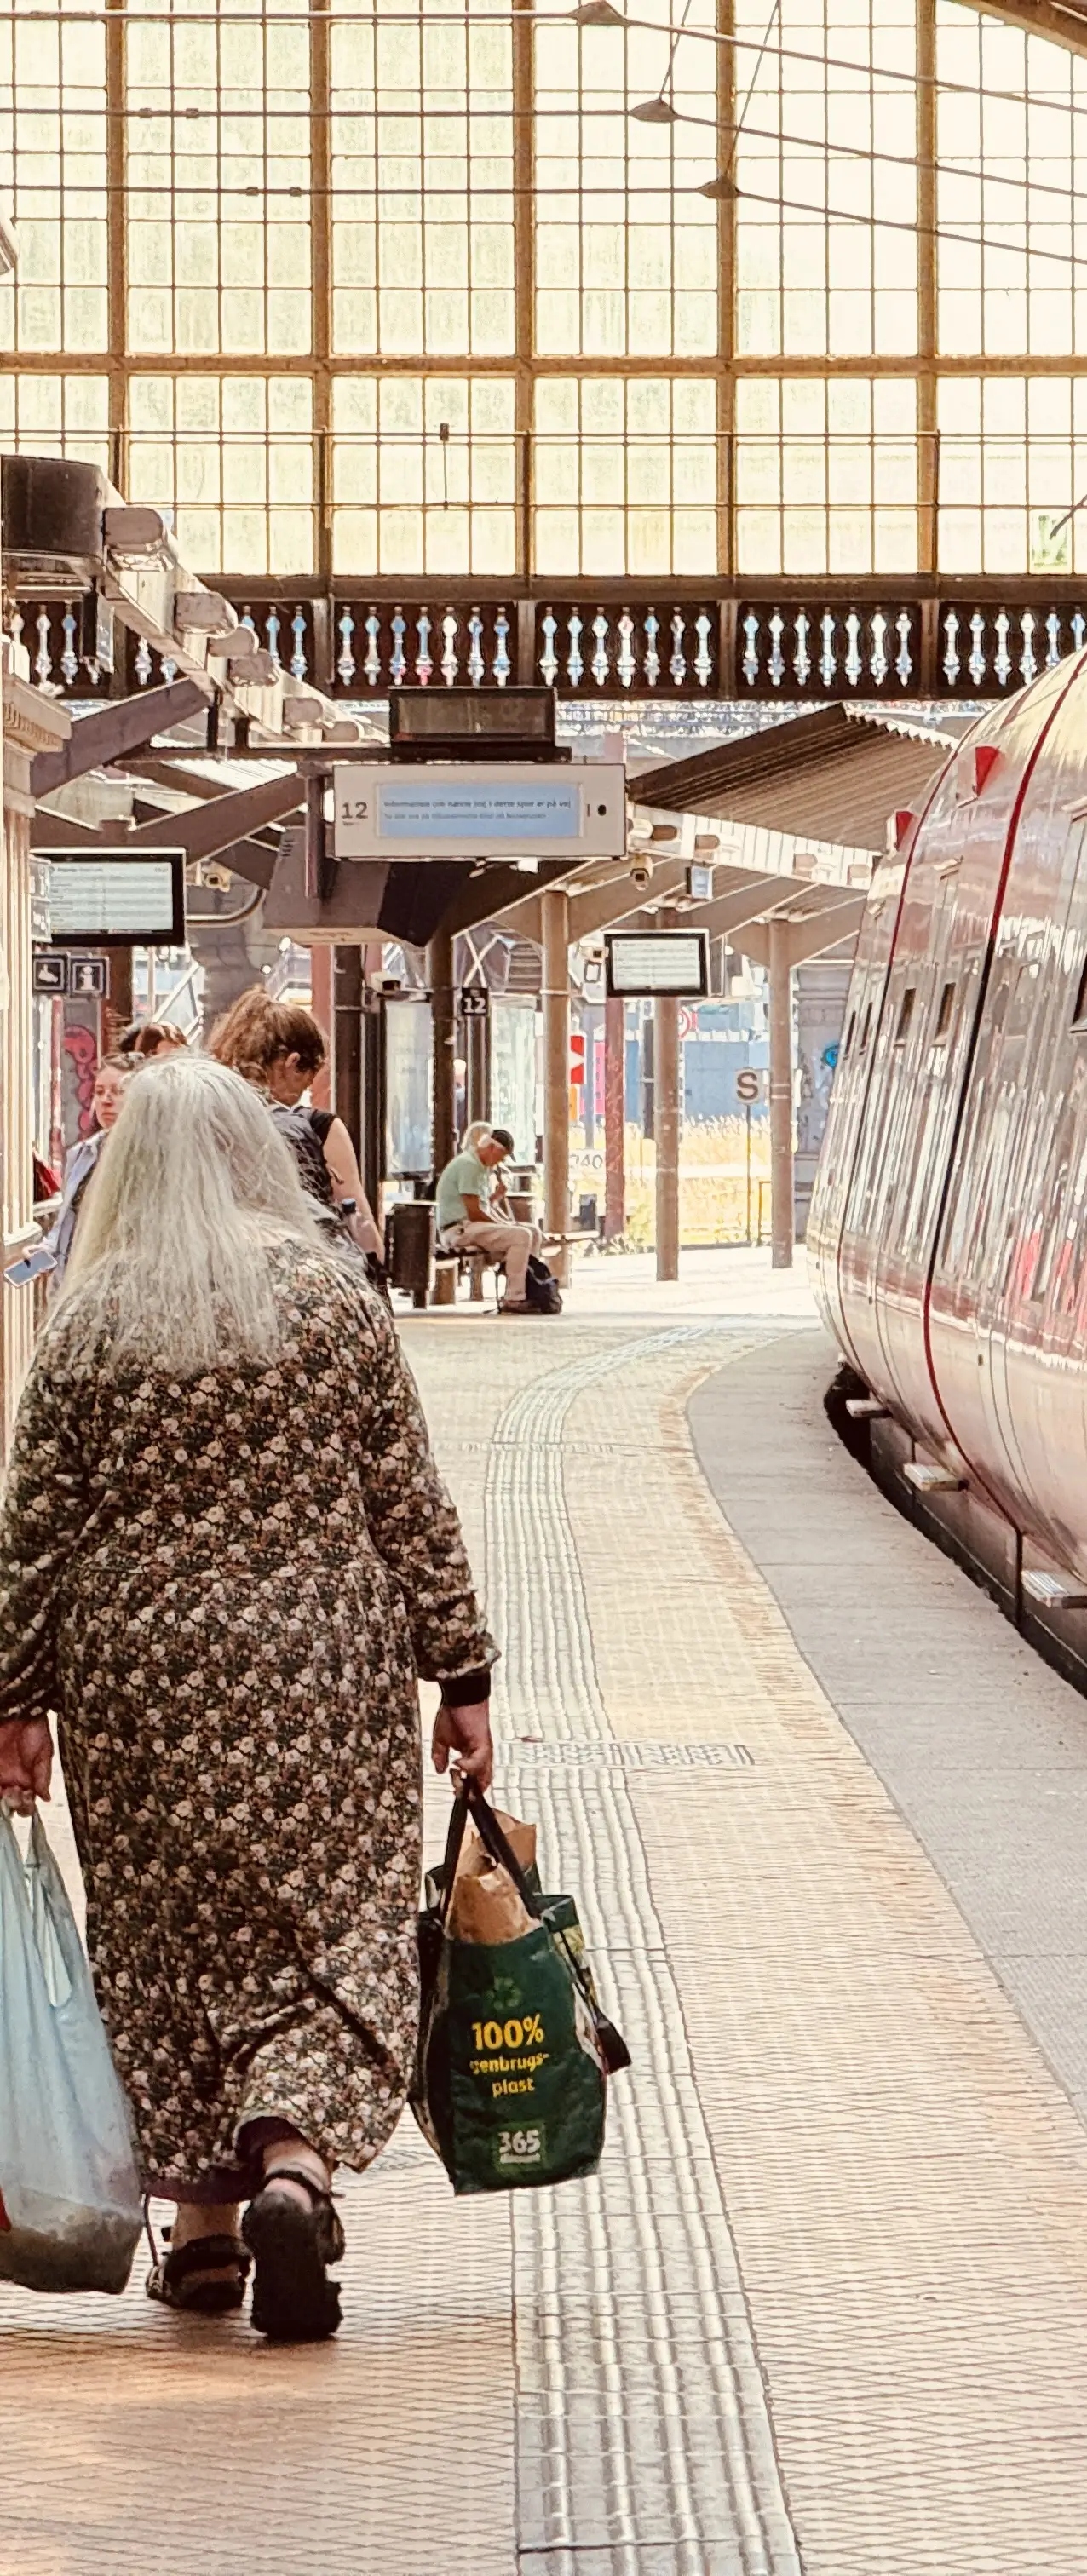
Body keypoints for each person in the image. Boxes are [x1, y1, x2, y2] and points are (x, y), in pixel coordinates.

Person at [0, 1056, 495, 2343]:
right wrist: (465, 1676)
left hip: (141, 1685)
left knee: (168, 1947)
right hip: (325, 1667)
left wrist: (14, 1704)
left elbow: (34, 1536)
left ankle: (206, 2242)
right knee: (330, 1933)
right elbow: (409, 1504)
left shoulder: (91, 1318)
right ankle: (294, 2166)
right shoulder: (333, 1305)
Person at [208, 991, 384, 1268]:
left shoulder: (209, 1116)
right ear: (292, 1063)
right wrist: (376, 1271)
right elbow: (356, 1214)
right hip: (298, 1268)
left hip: (220, 1263)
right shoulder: (318, 1127)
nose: (303, 1094)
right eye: (307, 1082)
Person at [34, 1050, 144, 1280]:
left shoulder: (147, 1160)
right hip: (70, 1288)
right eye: (99, 1092)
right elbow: (67, 1224)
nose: (106, 1100)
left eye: (118, 1092)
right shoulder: (82, 1154)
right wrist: (43, 1252)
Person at [433, 1125, 543, 1314]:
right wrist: (504, 1226)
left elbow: (481, 1207)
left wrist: (496, 1198)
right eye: (502, 1156)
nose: (501, 1161)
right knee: (522, 1236)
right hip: (458, 1229)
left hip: (470, 1225)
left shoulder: (480, 1167)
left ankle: (528, 1287)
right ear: (492, 1148)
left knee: (533, 1232)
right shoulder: (469, 1166)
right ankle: (513, 1298)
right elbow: (474, 1213)